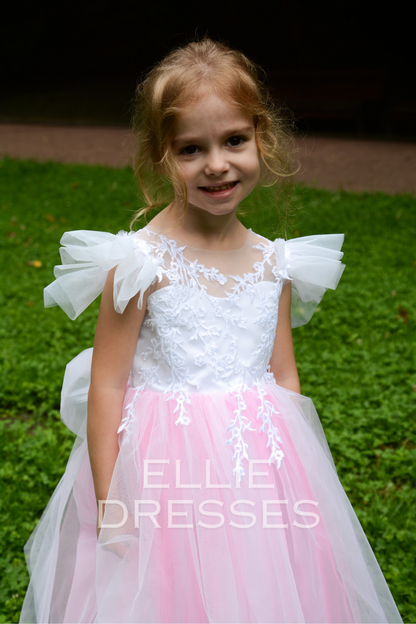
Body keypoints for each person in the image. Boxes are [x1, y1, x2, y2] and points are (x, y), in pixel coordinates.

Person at [19, 39, 402, 624]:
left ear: (261, 138)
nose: (216, 164)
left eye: (234, 141)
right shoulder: (140, 263)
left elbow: (282, 372)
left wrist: (302, 477)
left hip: (260, 472)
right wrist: (111, 502)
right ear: (160, 156)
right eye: (191, 149)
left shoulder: (276, 262)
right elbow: (106, 384)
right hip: (162, 477)